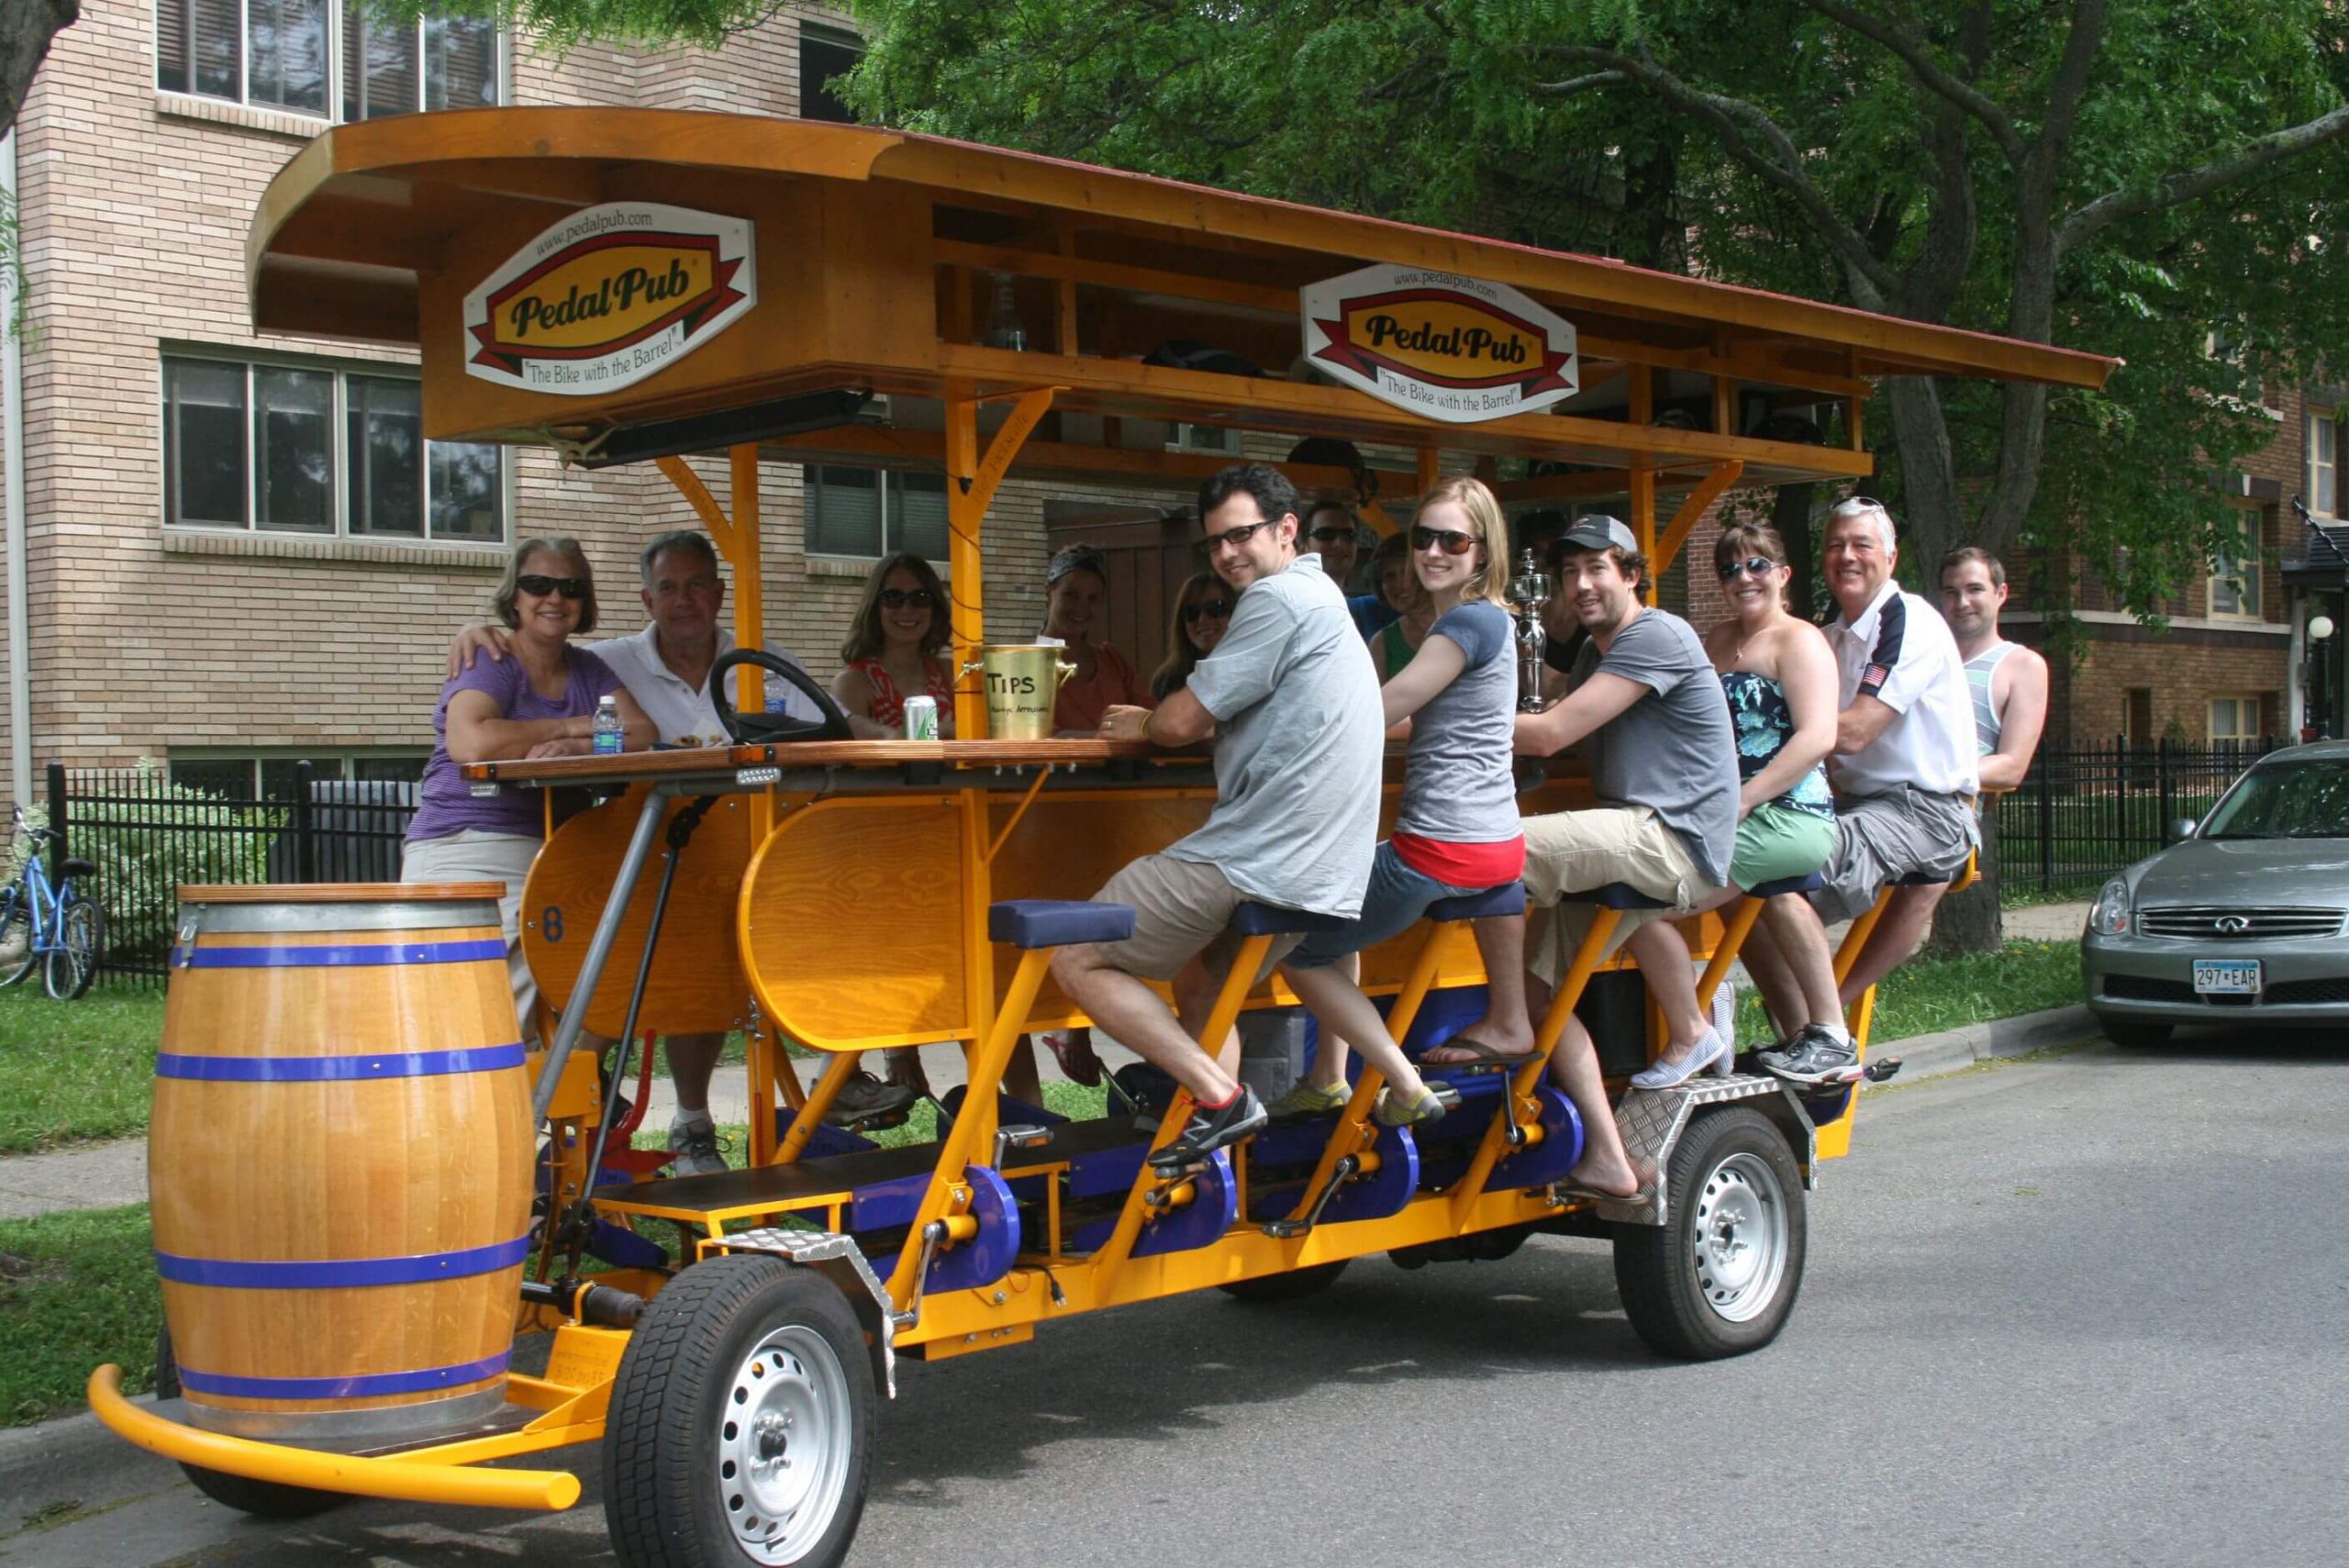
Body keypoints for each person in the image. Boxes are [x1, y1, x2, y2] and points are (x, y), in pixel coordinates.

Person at [451, 531, 910, 1166]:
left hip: (746, 855)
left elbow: (834, 718)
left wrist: (895, 738)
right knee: (644, 956)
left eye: (697, 584)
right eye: (668, 587)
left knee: (831, 901)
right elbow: (534, 662)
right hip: (640, 855)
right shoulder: (611, 661)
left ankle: (821, 1078)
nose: (683, 599)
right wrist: (480, 628)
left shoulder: (753, 657)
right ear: (646, 598)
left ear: (720, 593)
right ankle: (568, 1098)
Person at [1056, 463, 1386, 1165]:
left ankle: (1220, 1096)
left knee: (1076, 952)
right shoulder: (1322, 595)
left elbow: (1178, 722)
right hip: (1323, 866)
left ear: (1287, 529)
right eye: (1215, 543)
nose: (1229, 553)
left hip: (1265, 856)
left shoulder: (1278, 600)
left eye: (1242, 534)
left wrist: (1143, 718)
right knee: (1202, 978)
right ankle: (1214, 1160)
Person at [1428, 516, 1740, 1200]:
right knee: (1547, 999)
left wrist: (1426, 709)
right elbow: (1542, 721)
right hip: (1633, 839)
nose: (1582, 584)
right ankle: (1608, 1156)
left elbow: (1551, 733)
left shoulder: (1656, 634)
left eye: (1599, 568)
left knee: (1492, 848)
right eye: (1570, 573)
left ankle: (1504, 1021)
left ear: (1633, 574)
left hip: (1670, 838)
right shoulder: (1601, 653)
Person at [1269, 476, 1526, 1123]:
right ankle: (1329, 1075)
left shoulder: (1466, 621)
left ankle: (1405, 1083)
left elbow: (1381, 708)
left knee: (1297, 949)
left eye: (1453, 539)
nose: (1433, 551)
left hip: (1443, 846)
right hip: (1493, 842)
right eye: (1423, 537)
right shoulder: (1488, 620)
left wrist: (1267, 720)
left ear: (1484, 550)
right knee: (1335, 893)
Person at [1742, 497, 1980, 1084]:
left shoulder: (1910, 619)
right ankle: (1805, 1034)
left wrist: (1754, 765)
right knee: (1731, 895)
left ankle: (1826, 1035)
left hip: (1924, 809)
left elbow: (1849, 733)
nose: (1846, 555)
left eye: (1861, 545)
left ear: (1890, 556)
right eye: (1835, 545)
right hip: (1852, 803)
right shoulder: (1827, 636)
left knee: (1769, 862)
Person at [406, 537, 654, 1052]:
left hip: (555, 849)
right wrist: (572, 725)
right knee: (518, 975)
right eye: (538, 585)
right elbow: (471, 743)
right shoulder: (490, 658)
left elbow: (637, 734)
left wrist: (569, 743)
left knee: (626, 954)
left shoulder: (589, 670)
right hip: (469, 841)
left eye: (570, 588)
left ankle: (558, 1094)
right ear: (514, 597)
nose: (554, 599)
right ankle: (514, 1097)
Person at [1619, 523, 1841, 1045]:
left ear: (1783, 574)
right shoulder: (1717, 639)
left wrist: (1745, 798)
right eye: (1730, 568)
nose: (1744, 577)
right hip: (1723, 814)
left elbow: (1818, 738)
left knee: (1643, 905)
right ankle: (1787, 1029)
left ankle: (1708, 1025)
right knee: (1641, 899)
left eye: (1757, 564)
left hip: (1787, 814)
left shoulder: (1800, 640)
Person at [1840, 545, 2050, 1002]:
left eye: (1975, 589)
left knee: (1927, 880)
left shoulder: (2020, 665)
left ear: (2001, 594)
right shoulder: (1917, 648)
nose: (1963, 602)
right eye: (1951, 592)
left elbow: (2013, 764)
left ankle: (1839, 1001)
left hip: (1945, 799)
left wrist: (1935, 771)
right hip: (1878, 790)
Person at [832, 551, 957, 740]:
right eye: (892, 598)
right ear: (875, 608)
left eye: (920, 597)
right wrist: (947, 731)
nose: (906, 609)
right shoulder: (852, 683)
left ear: (934, 608)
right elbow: (856, 764)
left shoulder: (951, 673)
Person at [1041, 545, 1153, 733]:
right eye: (1071, 595)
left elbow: (1147, 717)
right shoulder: (1027, 664)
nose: (1081, 607)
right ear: (1049, 593)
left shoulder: (1112, 662)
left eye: (1092, 598)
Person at [1150, 571, 1232, 701]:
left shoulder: (1252, 673)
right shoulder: (1167, 681)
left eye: (1215, 608)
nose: (1202, 620)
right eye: (1192, 612)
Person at [1369, 528, 1435, 678]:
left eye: (1407, 572)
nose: (1399, 583)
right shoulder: (1382, 644)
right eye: (1389, 576)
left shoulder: (1460, 624)